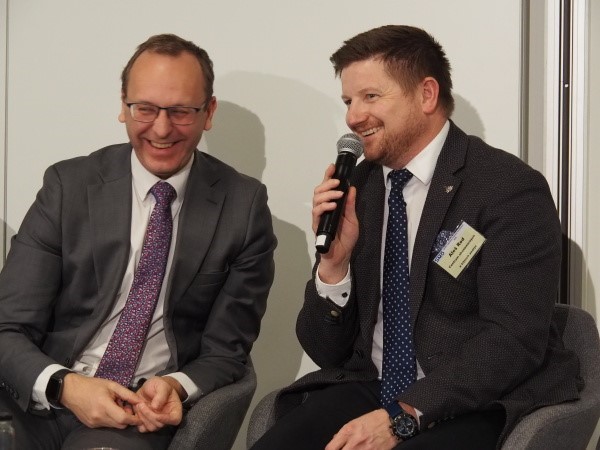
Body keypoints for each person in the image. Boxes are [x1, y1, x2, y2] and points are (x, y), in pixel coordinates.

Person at [250, 25, 580, 450]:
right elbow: (325, 351)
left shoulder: (506, 188)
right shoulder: (358, 187)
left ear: (426, 94)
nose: (353, 117)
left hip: (471, 397)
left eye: (371, 96)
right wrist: (333, 266)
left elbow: (513, 340)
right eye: (348, 101)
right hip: (372, 384)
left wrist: (403, 416)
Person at [0, 33, 276, 450]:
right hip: (40, 395)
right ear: (123, 106)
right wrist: (65, 385)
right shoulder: (68, 186)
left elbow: (227, 350)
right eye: (145, 109)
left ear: (208, 112)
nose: (161, 129)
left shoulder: (244, 205)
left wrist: (177, 385)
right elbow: (8, 326)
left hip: (134, 414)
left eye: (180, 111)